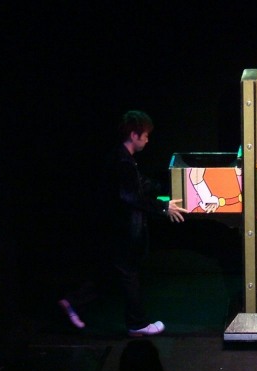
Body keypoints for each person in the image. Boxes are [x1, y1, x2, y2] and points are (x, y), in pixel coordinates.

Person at [58, 110, 187, 336]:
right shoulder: (122, 161)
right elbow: (131, 196)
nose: (147, 139)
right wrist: (163, 207)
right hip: (120, 230)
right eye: (145, 135)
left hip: (116, 229)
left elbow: (139, 185)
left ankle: (72, 301)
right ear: (134, 135)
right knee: (128, 275)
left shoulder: (122, 158)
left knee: (112, 275)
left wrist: (167, 188)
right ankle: (137, 324)